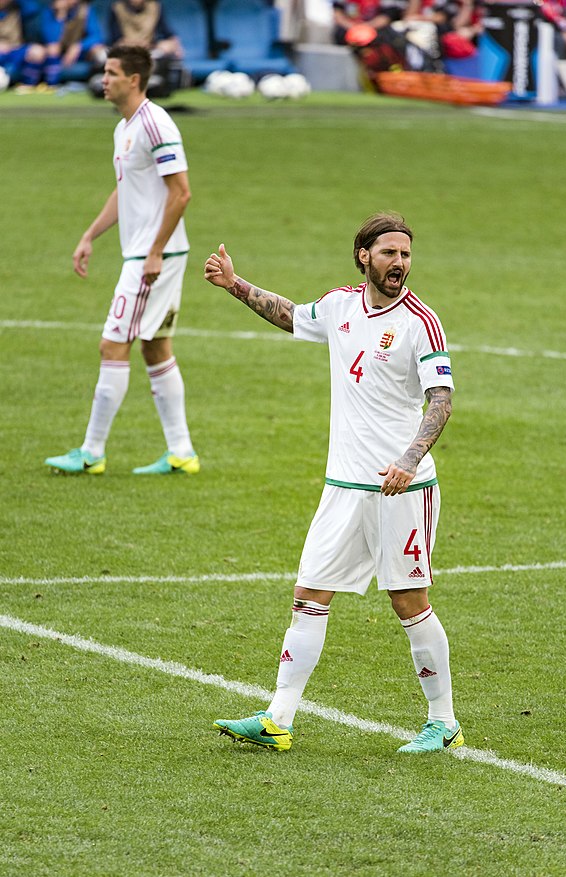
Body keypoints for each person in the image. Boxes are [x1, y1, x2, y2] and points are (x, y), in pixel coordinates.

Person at [205, 213, 463, 754]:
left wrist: (410, 459)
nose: (400, 263)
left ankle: (444, 722)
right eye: (389, 253)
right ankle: (278, 718)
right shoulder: (341, 305)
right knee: (309, 595)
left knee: (408, 601)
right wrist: (236, 285)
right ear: (363, 256)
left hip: (402, 489)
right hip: (342, 487)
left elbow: (440, 399)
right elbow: (291, 315)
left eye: (406, 255)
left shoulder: (421, 321)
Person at [45, 45, 199, 476]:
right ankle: (182, 453)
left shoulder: (154, 123)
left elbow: (181, 191)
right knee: (155, 347)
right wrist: (90, 234)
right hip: (151, 253)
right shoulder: (124, 128)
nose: (104, 79)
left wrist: (153, 252)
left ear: (134, 79)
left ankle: (91, 452)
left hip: (154, 257)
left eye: (111, 72)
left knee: (113, 344)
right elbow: (126, 190)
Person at [0, 0, 45, 89]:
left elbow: (33, 8)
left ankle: (27, 86)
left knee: (37, 51)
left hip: (14, 50)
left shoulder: (17, 8)